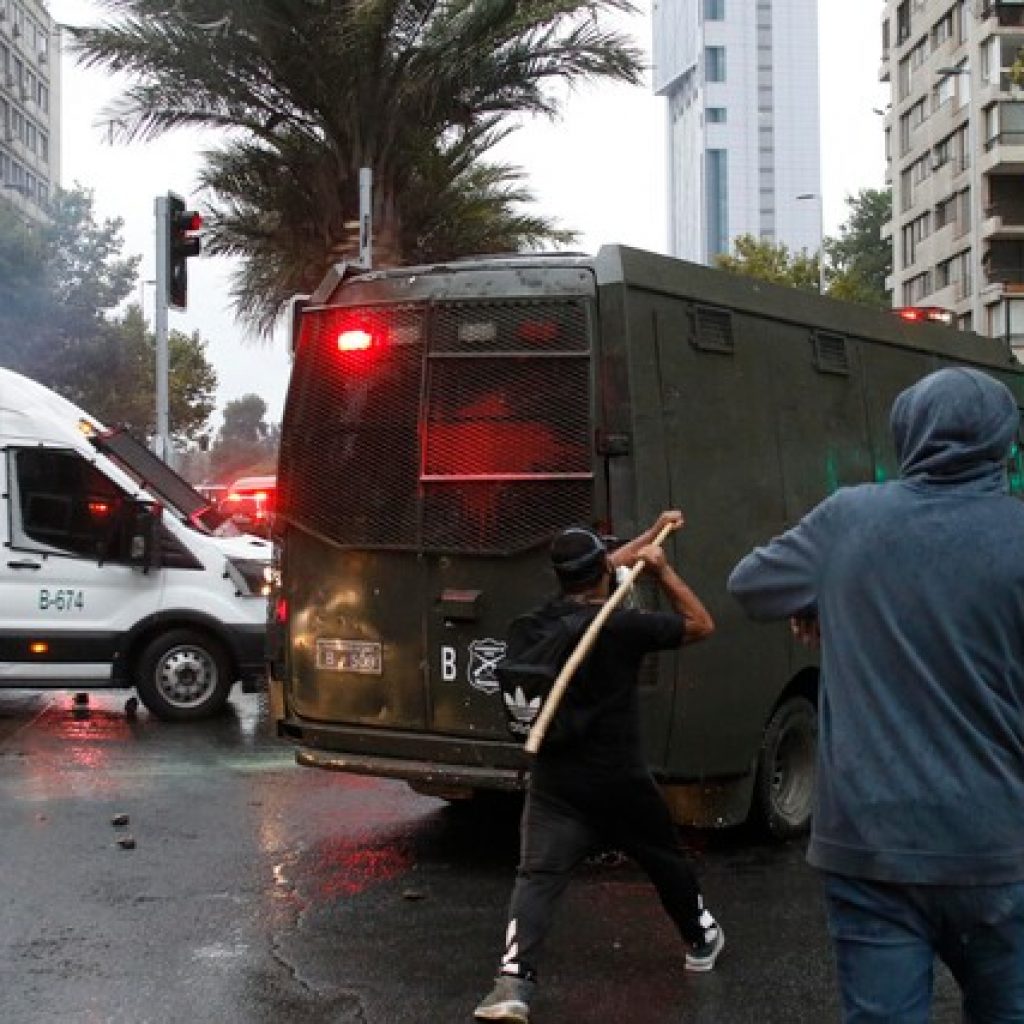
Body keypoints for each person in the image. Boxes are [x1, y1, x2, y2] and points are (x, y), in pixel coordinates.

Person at [727, 367, 1024, 1023]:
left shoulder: (850, 519)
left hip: (871, 842)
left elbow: (750, 585)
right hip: (999, 843)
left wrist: (828, 599)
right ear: (1004, 443)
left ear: (906, 433)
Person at [474, 511, 723, 1024]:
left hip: (555, 781)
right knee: (663, 859)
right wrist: (661, 570)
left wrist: (649, 537)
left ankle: (512, 983)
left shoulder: (537, 622)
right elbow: (702, 624)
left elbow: (595, 568)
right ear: (603, 574)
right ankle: (701, 939)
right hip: (619, 781)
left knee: (537, 876)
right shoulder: (622, 627)